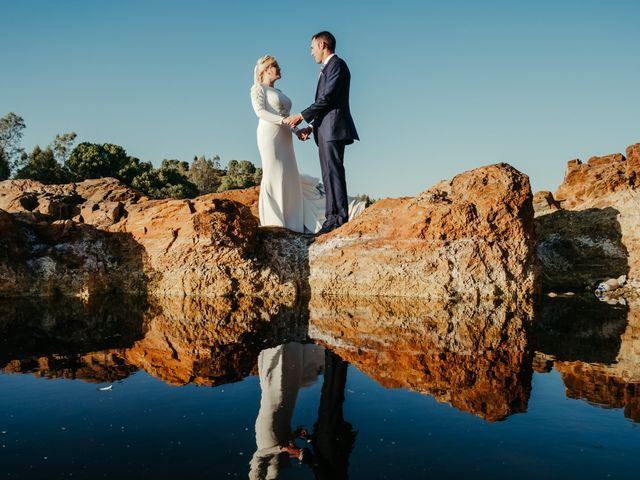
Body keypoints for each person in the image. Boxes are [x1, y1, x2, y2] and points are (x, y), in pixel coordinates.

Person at [250, 55, 364, 234]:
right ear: (265, 70)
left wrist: (298, 131)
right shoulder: (258, 89)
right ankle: (275, 220)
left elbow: (288, 119)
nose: (279, 69)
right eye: (275, 66)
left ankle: (292, 223)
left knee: (289, 174)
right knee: (275, 173)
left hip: (285, 135)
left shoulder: (279, 92)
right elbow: (260, 112)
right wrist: (285, 121)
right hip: (269, 135)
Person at [284, 31, 359, 235]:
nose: (311, 53)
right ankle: (331, 218)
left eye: (312, 47)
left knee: (334, 172)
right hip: (325, 128)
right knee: (328, 173)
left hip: (334, 128)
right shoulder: (328, 68)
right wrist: (313, 126)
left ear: (323, 45)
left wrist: (302, 116)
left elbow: (326, 99)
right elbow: (327, 102)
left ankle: (338, 219)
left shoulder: (337, 65)